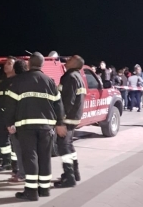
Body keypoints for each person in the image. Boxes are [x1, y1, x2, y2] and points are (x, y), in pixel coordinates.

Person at [3, 52, 65, 201]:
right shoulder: (50, 82)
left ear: (29, 64)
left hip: (27, 127)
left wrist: (9, 123)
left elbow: (10, 105)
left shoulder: (19, 81)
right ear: (42, 65)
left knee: (30, 157)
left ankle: (31, 192)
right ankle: (44, 190)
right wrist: (60, 124)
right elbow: (59, 105)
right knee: (45, 157)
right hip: (47, 128)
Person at [53, 55, 86, 188]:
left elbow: (66, 101)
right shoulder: (78, 77)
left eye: (71, 60)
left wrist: (60, 121)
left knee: (64, 147)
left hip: (66, 119)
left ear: (76, 64)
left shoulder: (69, 77)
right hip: (73, 118)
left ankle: (69, 177)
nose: (67, 60)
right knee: (69, 145)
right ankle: (74, 173)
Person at [0, 56, 17, 172]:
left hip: (14, 115)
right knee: (3, 139)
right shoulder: (0, 79)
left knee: (15, 139)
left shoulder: (18, 80)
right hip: (2, 114)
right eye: (6, 63)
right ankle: (6, 162)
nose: (6, 65)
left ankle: (16, 164)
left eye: (9, 63)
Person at [8, 59, 28, 183]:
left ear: (15, 69)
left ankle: (22, 174)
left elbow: (11, 106)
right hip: (31, 122)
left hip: (18, 123)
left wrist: (9, 123)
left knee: (19, 150)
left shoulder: (15, 83)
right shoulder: (31, 81)